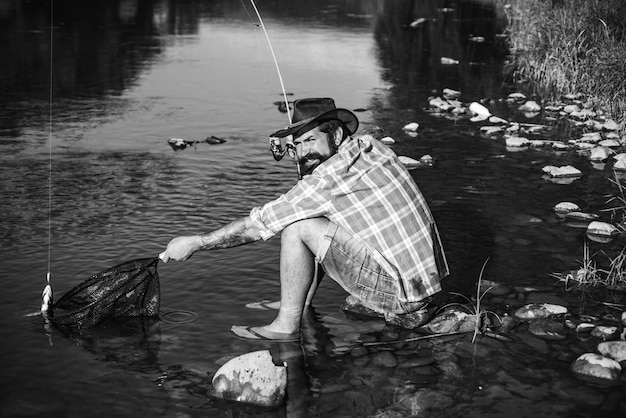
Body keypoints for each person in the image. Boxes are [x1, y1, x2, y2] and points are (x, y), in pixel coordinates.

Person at [159, 97, 448, 341]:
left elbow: (258, 226)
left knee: (297, 228)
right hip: (424, 284)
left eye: (311, 140)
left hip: (400, 296)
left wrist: (196, 242)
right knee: (318, 217)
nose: (302, 152)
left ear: (335, 136)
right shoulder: (371, 146)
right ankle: (299, 303)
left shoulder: (326, 180)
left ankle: (286, 325)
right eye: (297, 144)